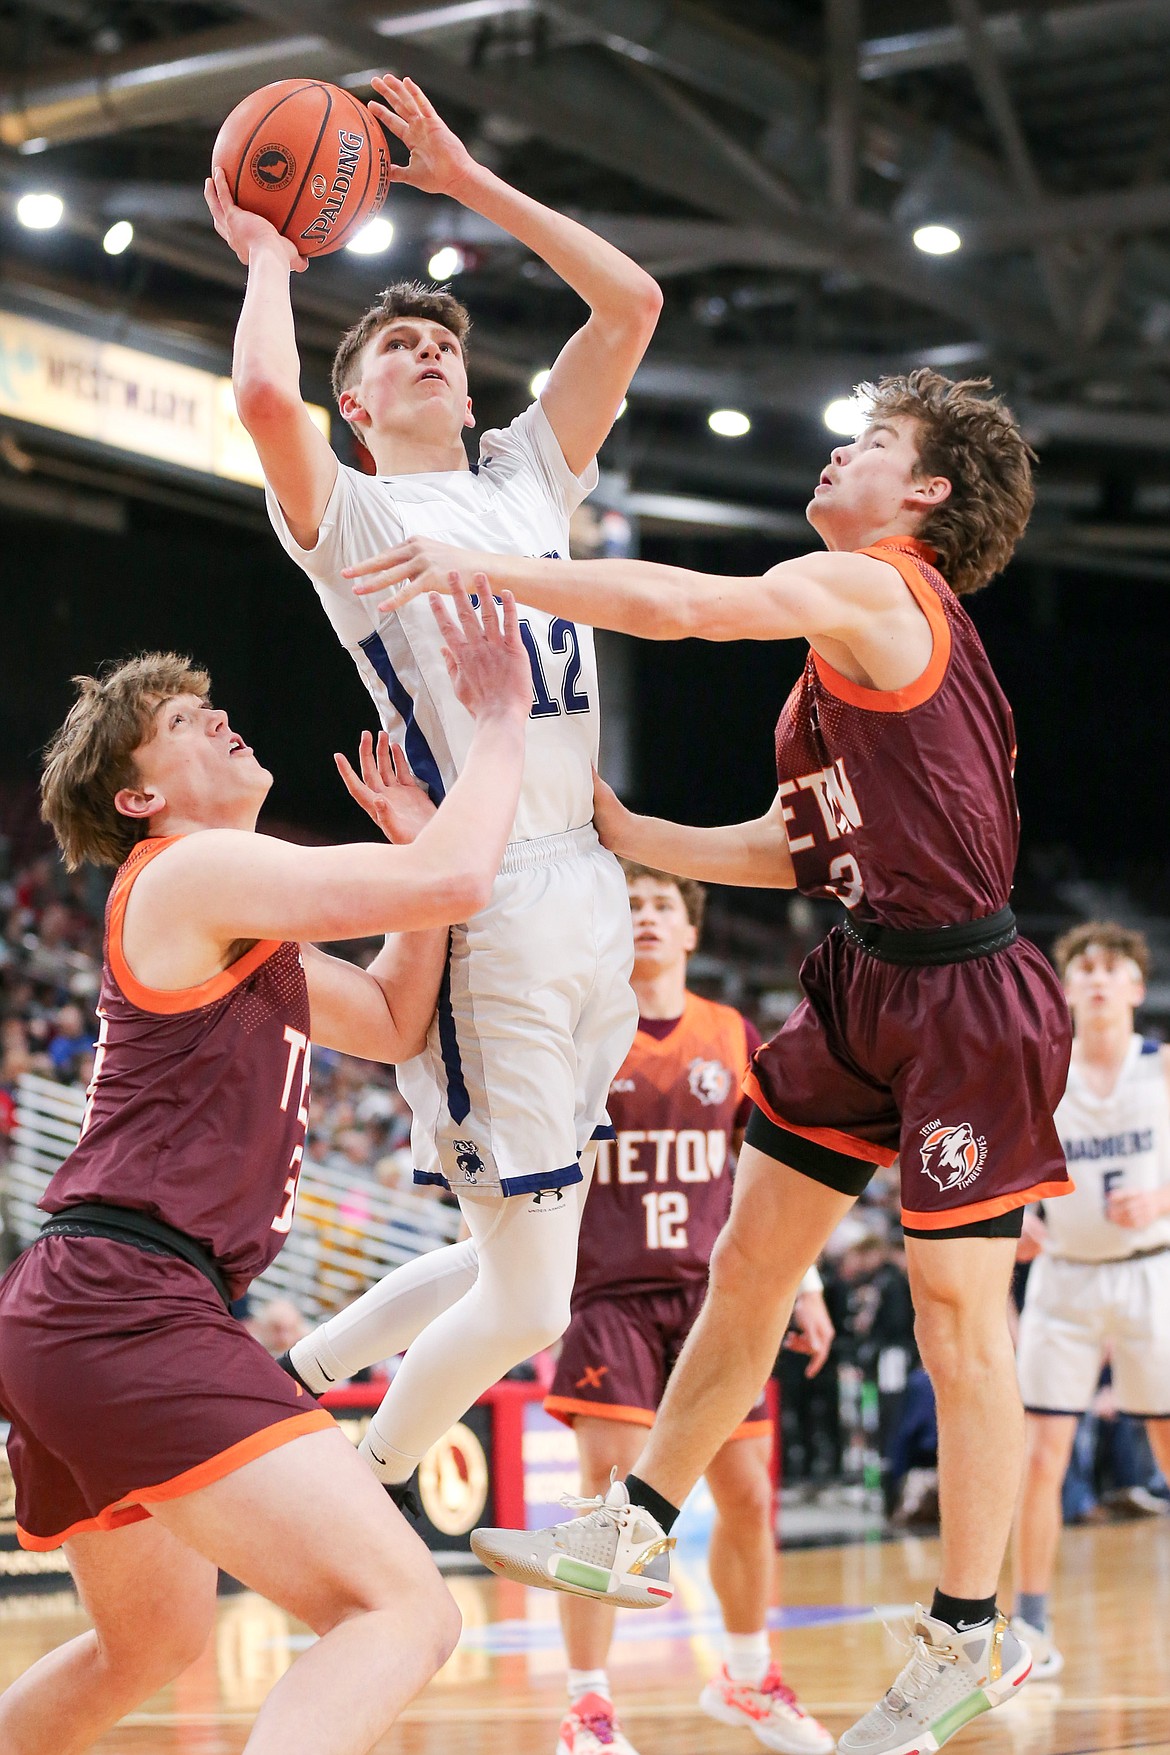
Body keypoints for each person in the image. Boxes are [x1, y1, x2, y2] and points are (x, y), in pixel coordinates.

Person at [348, 368, 1073, 1755]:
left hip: (967, 1000)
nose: (836, 452)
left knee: (951, 1314)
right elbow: (792, 848)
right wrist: (622, 825)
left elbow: (683, 605)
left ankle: (971, 1626)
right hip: (864, 976)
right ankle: (639, 1522)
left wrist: (478, 562)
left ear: (920, 490)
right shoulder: (837, 653)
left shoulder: (880, 589)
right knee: (747, 1265)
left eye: (867, 440)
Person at [205, 70, 661, 1500]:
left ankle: (292, 1368)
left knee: (520, 1253)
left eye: (440, 342)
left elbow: (630, 305)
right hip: (492, 902)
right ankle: (367, 1477)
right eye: (396, 345)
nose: (429, 353)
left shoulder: (531, 478)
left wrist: (465, 183)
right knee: (529, 1298)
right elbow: (265, 391)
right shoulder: (356, 518)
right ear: (359, 402)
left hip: (589, 883)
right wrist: (273, 257)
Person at [0, 586, 531, 1755]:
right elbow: (459, 877)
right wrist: (500, 725)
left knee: (148, 1647)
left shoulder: (240, 918)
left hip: (89, 1307)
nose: (219, 715)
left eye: (209, 703)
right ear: (141, 798)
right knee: (403, 1608)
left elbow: (395, 1015)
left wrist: (411, 850)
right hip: (124, 1303)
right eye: (184, 720)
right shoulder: (188, 872)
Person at [550, 863, 834, 1755]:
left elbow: (778, 1176)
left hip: (715, 1298)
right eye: (629, 905)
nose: (644, 915)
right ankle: (587, 1708)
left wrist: (810, 1286)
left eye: (661, 904)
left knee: (747, 1495)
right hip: (612, 1293)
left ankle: (747, 1678)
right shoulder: (583, 1034)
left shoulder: (729, 1032)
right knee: (605, 1495)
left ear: (690, 931)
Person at [1011, 921, 1170, 1678]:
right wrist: (1018, 1218)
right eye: (1085, 970)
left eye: (1113, 968)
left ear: (1137, 987)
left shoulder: (1165, 1068)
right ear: (1067, 989)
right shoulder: (1044, 1070)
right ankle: (1032, 1627)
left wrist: (1165, 1198)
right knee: (1042, 1452)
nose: (1099, 980)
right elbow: (1004, 1163)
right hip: (1066, 1275)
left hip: (1153, 1269)